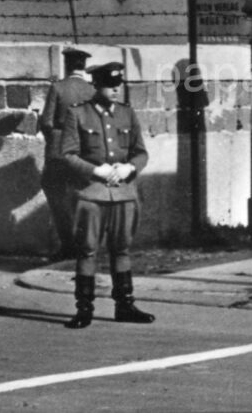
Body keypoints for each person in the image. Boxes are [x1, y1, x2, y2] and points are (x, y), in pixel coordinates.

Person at [59, 61, 153, 328]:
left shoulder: (127, 114)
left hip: (123, 193)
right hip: (91, 194)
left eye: (117, 84)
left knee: (122, 249)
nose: (114, 89)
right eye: (108, 85)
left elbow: (140, 152)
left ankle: (125, 305)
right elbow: (67, 155)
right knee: (87, 251)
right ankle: (84, 309)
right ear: (95, 86)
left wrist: (129, 168)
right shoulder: (77, 114)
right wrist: (96, 171)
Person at [38, 47, 95, 260]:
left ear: (67, 65)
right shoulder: (91, 90)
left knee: (55, 195)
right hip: (83, 152)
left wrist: (53, 141)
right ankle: (84, 245)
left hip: (59, 151)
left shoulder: (58, 88)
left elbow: (46, 122)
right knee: (81, 198)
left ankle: (68, 246)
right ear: (84, 66)